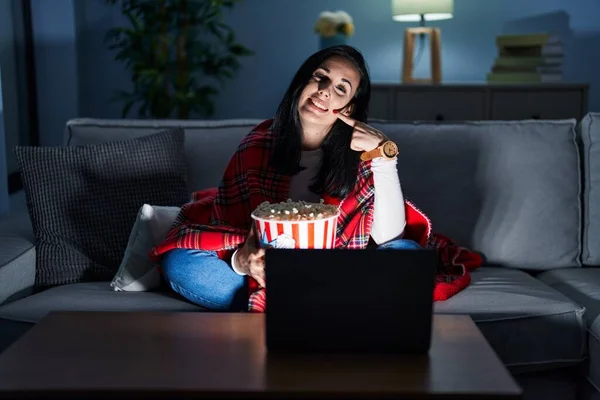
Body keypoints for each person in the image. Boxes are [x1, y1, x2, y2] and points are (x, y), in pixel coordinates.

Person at [150, 45, 482, 312]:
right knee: (181, 262)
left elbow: (386, 238)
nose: (325, 91)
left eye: (341, 88)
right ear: (301, 85)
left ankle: (300, 306)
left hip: (343, 266)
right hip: (270, 264)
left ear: (349, 109)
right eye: (320, 78)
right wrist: (243, 261)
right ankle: (329, 308)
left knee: (406, 253)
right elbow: (230, 224)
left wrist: (384, 161)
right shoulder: (258, 143)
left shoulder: (361, 150)